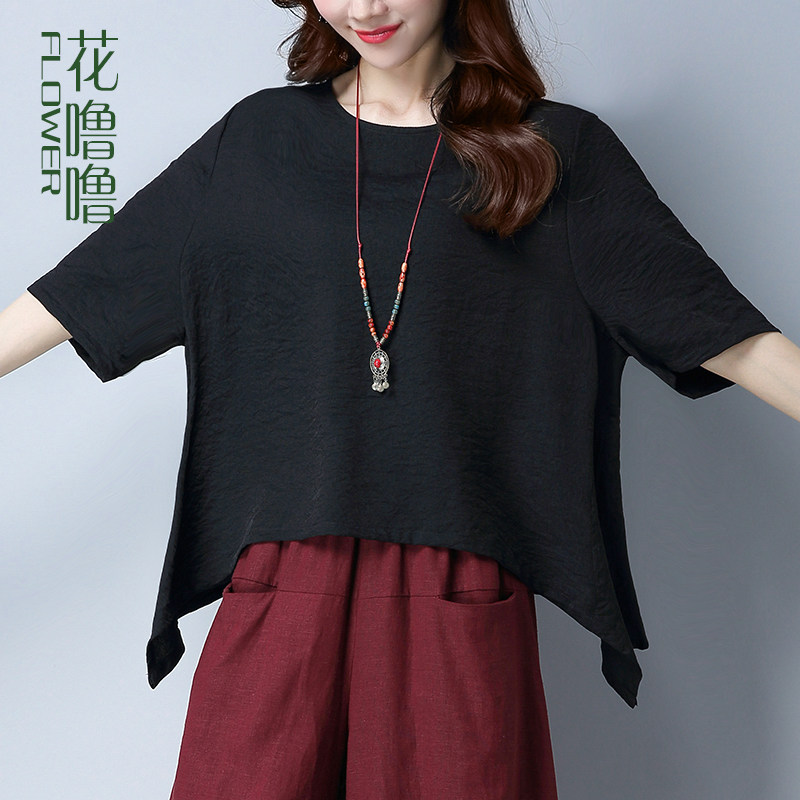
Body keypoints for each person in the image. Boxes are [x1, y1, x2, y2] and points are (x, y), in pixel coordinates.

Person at [2, 1, 798, 798]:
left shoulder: (551, 151)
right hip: (284, 577)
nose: (364, 8)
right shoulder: (259, 141)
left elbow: (720, 331)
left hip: (456, 589)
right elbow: (81, 292)